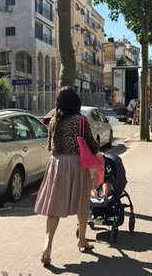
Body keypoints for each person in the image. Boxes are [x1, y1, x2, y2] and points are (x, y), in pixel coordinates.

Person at [34, 87, 98, 265]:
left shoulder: (54, 120)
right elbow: (92, 145)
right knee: (81, 202)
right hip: (76, 164)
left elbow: (49, 145)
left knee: (54, 206)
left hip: (56, 164)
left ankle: (47, 245)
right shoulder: (80, 120)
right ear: (76, 102)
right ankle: (82, 239)